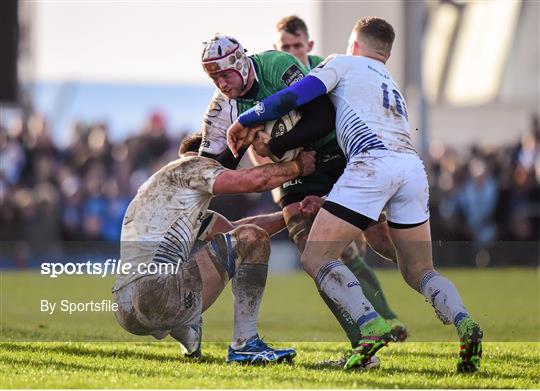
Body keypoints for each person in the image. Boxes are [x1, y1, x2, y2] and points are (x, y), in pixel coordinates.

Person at [227, 17, 483, 372]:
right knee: (419, 270)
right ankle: (463, 321)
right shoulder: (388, 81)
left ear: (355, 45)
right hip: (411, 169)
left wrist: (247, 118)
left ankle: (368, 325)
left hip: (371, 163)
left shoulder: (342, 63)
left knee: (316, 257)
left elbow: (294, 96)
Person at [199, 33, 408, 347]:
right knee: (312, 250)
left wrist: (278, 145)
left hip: (332, 151)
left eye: (225, 74)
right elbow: (214, 167)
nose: (222, 84)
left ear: (241, 63)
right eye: (213, 78)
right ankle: (364, 339)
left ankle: (423, 271)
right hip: (295, 175)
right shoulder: (220, 110)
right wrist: (190, 161)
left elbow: (322, 116)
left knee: (379, 236)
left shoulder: (278, 65)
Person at [113, 133, 316, 364]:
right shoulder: (192, 165)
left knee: (247, 239)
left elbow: (235, 233)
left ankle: (188, 335)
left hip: (124, 308)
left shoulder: (167, 197)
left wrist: (291, 214)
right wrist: (298, 166)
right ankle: (245, 344)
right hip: (157, 294)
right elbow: (256, 184)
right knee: (252, 238)